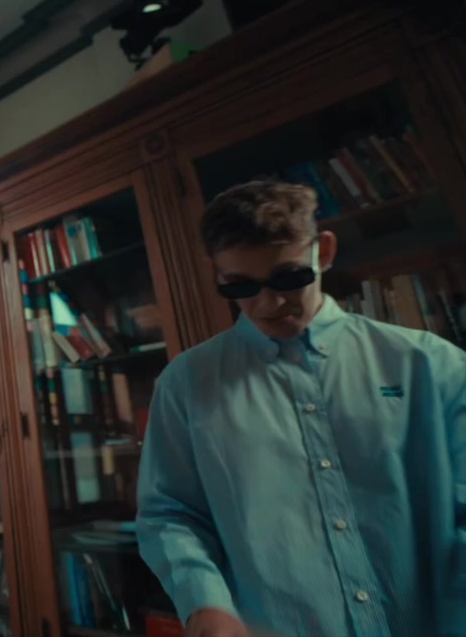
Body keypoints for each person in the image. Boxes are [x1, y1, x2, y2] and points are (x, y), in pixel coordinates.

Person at [136, 180, 465, 637]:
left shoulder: (431, 364)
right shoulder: (185, 385)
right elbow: (170, 514)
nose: (269, 303)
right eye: (241, 286)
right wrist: (204, 603)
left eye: (289, 277)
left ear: (323, 251)